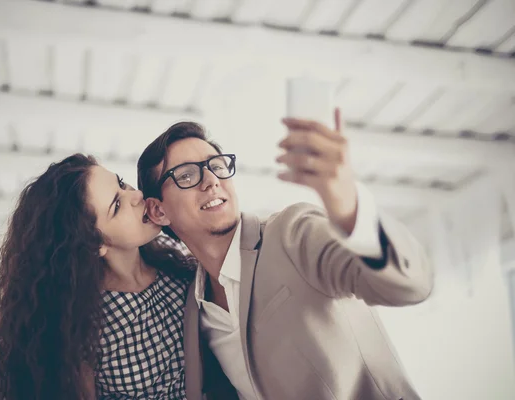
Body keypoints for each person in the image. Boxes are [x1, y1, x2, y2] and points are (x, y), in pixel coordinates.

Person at [137, 109, 434, 400]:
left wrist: (349, 205)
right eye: (187, 175)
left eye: (216, 165)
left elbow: (409, 284)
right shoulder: (194, 308)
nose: (211, 180)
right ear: (158, 210)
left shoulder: (293, 233)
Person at [0, 154, 195, 400]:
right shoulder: (80, 327)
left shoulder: (180, 272)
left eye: (120, 183)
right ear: (93, 243)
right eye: (117, 206)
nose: (136, 195)